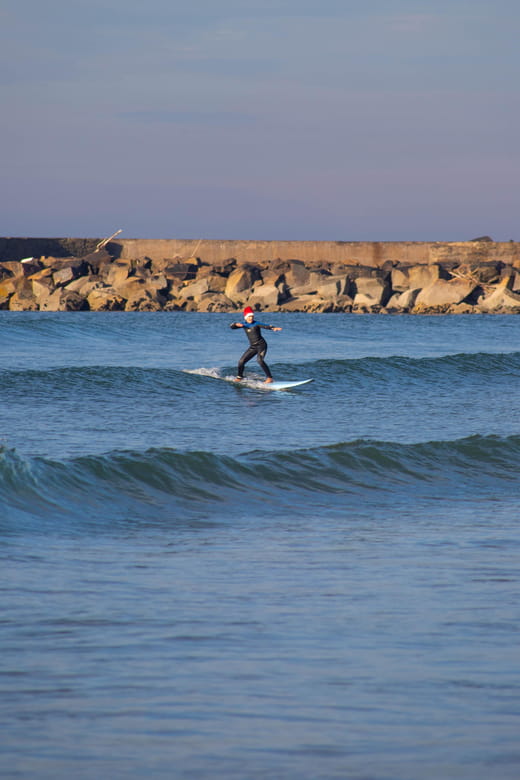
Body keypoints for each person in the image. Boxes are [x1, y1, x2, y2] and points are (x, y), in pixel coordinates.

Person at [230, 306, 282, 383]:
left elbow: (265, 325)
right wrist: (235, 324)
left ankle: (269, 378)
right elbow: (232, 327)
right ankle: (240, 377)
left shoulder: (256, 324)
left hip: (262, 345)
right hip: (253, 347)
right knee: (241, 361)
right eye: (249, 316)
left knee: (259, 360)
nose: (251, 318)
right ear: (246, 317)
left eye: (252, 316)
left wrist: (273, 328)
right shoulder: (243, 324)